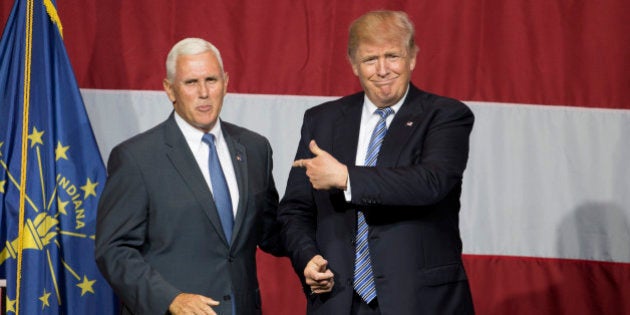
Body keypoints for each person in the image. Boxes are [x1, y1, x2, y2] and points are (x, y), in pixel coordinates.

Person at [279, 10, 475, 314]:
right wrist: (307, 257)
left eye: (393, 56)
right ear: (353, 64)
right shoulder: (323, 121)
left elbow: (430, 182)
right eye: (370, 59)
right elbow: (295, 209)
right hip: (339, 300)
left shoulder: (445, 116)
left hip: (420, 302)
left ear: (412, 58)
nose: (383, 69)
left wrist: (347, 179)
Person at [95, 37, 284, 315]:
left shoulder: (254, 148)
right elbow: (113, 249)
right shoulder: (136, 158)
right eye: (191, 83)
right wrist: (169, 299)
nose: (204, 92)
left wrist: (330, 222)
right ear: (170, 89)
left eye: (211, 80)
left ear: (226, 82)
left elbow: (271, 231)